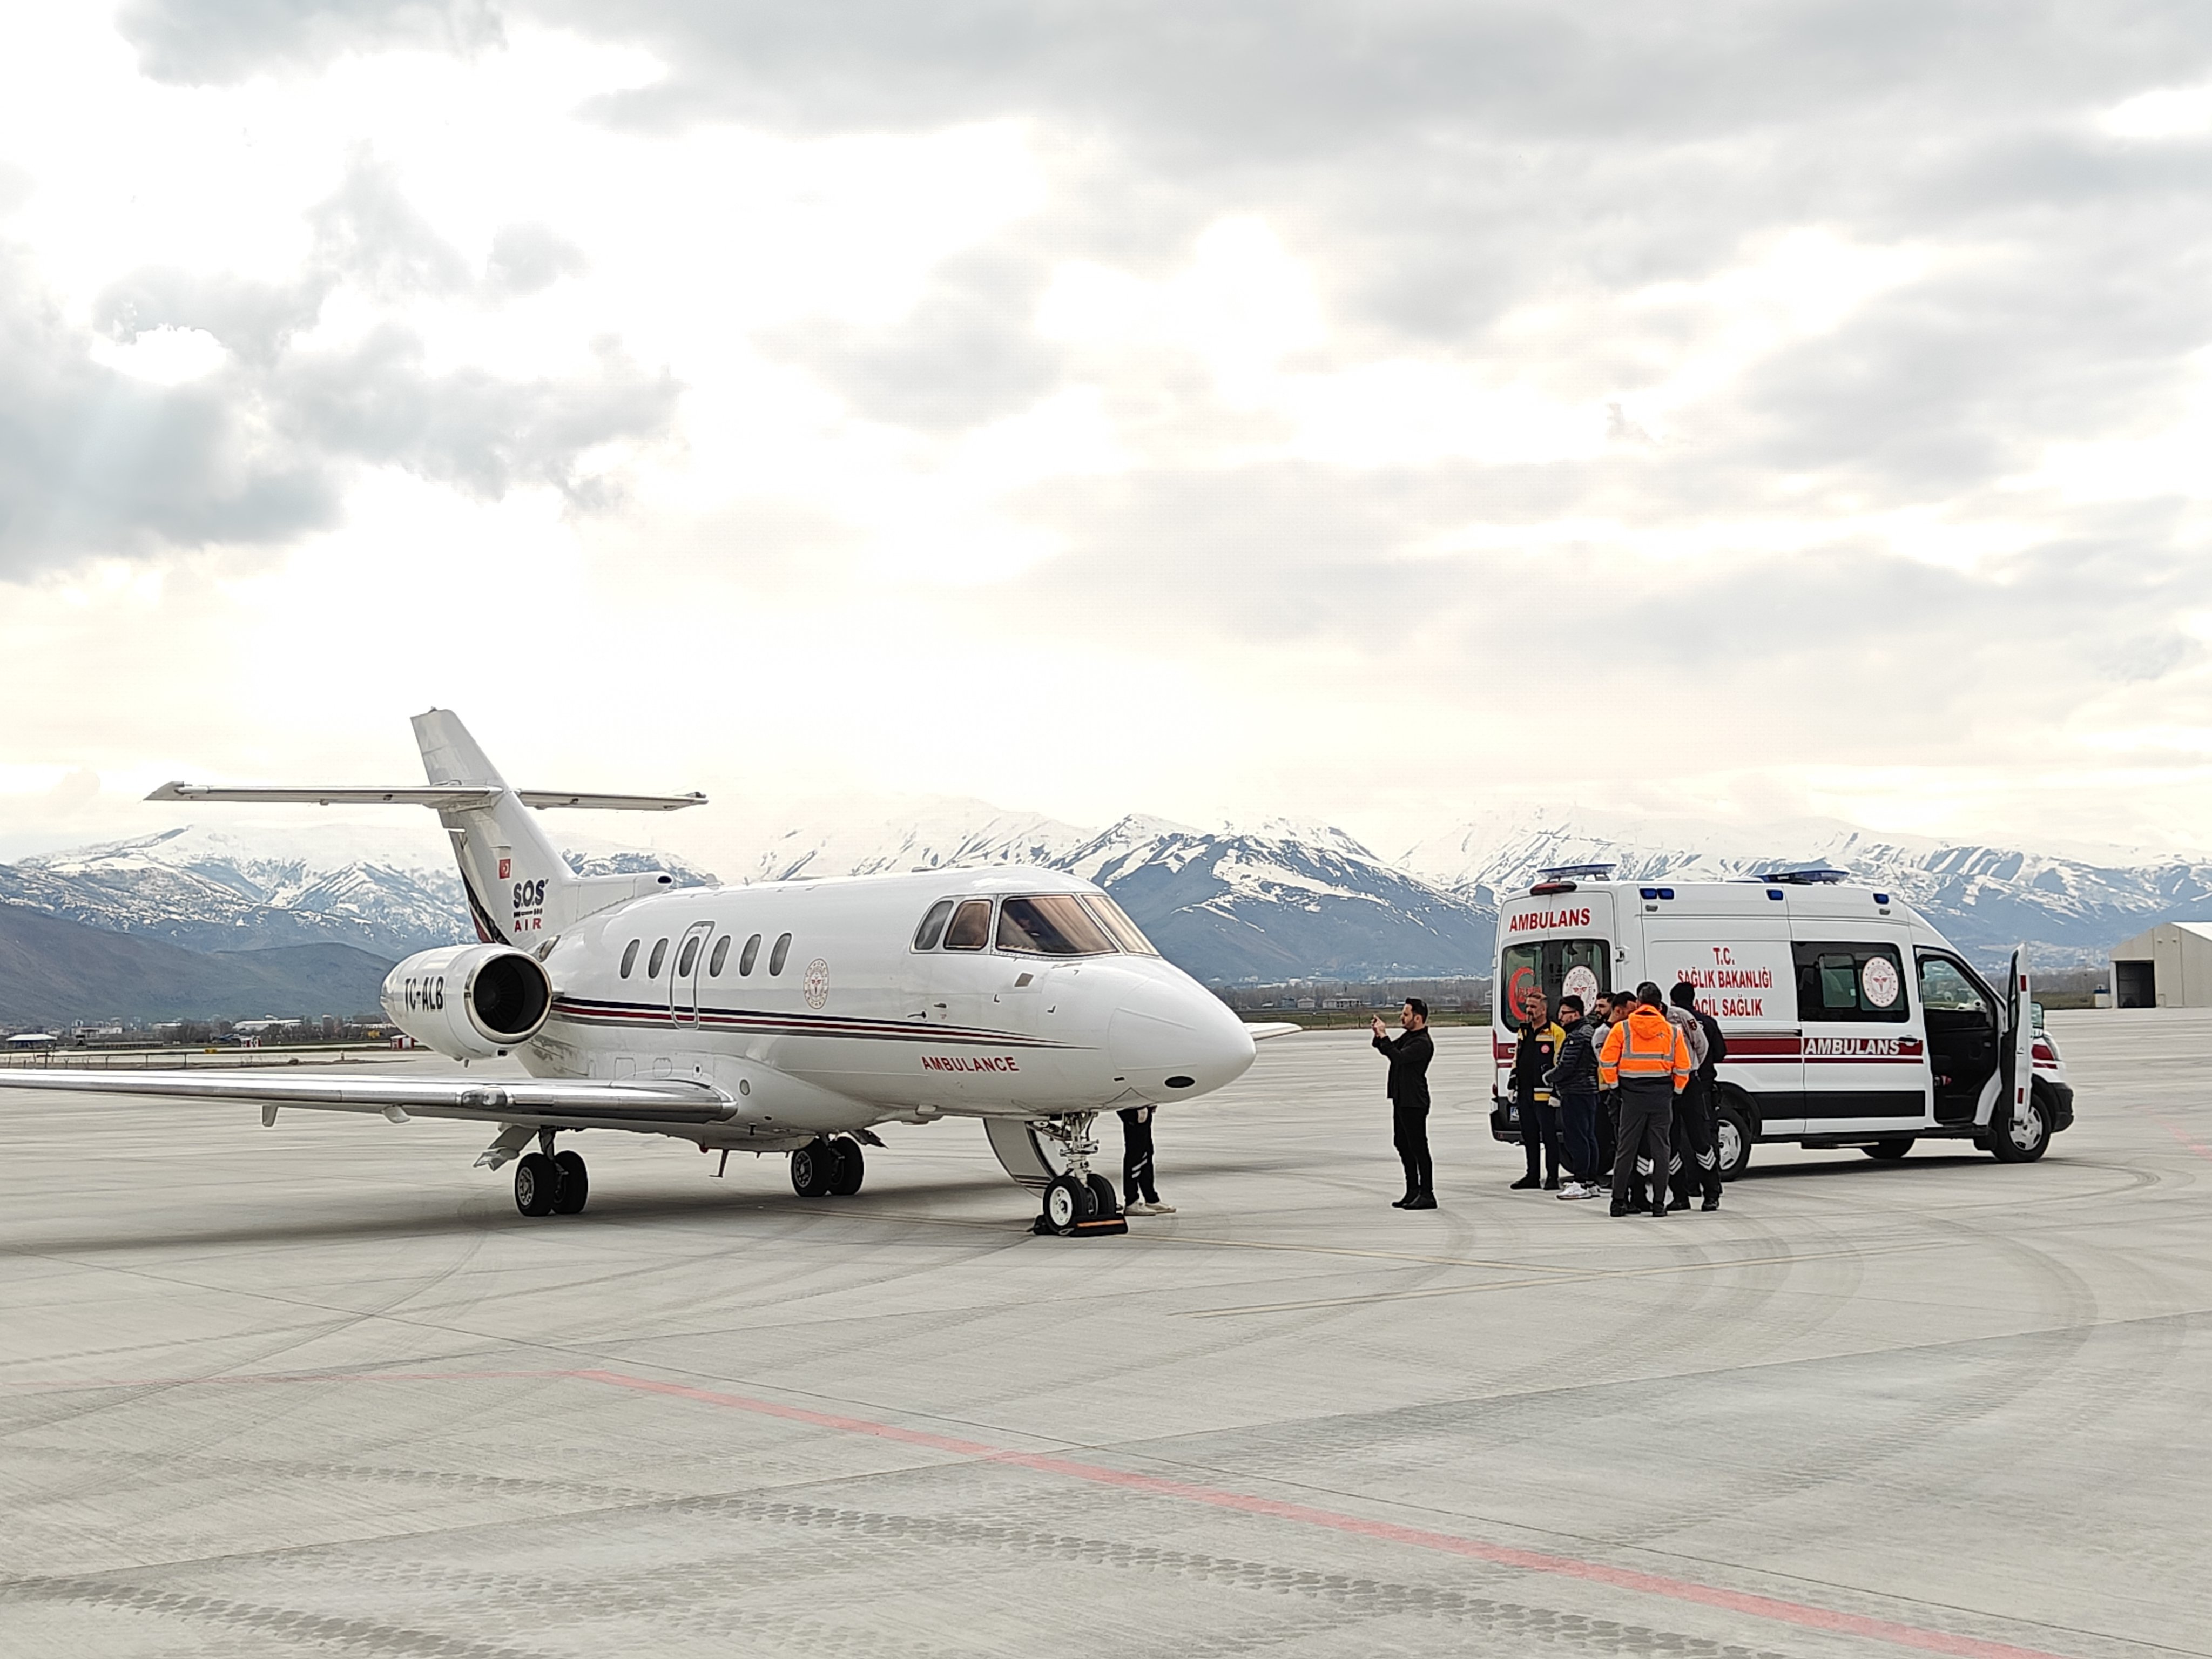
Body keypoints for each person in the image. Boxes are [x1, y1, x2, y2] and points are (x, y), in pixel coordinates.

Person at [1599, 981, 1689, 1218]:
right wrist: (1676, 1092)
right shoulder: (1673, 1031)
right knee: (1662, 1149)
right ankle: (1659, 1204)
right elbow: (1683, 1067)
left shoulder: (1622, 1029)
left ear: (1638, 1004)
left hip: (1631, 1095)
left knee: (1626, 1150)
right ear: (1660, 1005)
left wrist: (1615, 1087)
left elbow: (1606, 1061)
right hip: (1662, 1095)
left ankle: (1618, 1202)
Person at [1667, 983, 1727, 1211]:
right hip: (1701, 1085)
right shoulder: (1708, 1022)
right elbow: (1719, 1053)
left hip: (1681, 1086)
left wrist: (1689, 1070)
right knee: (1703, 1140)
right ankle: (1711, 1193)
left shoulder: (1674, 1021)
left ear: (1672, 999)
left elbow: (1701, 1048)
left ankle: (1683, 1194)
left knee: (1676, 1142)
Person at [1371, 998, 1435, 1209]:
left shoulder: (1422, 1043)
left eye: (1406, 1014)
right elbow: (1389, 1050)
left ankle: (1427, 1193)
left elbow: (1398, 1057)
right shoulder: (1410, 1037)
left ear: (1418, 1018)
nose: (1402, 1017)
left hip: (1414, 1100)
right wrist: (1379, 1035)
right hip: (1401, 1098)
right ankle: (1413, 1189)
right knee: (1402, 1144)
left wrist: (1385, 1037)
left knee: (1419, 1147)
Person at [1545, 994, 1603, 1199]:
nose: (1560, 1017)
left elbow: (1566, 1066)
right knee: (1588, 1137)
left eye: (1564, 1013)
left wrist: (1549, 1077)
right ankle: (1590, 1180)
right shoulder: (1588, 1031)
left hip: (1576, 1092)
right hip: (1587, 1091)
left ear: (1576, 1014)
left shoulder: (1577, 1036)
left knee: (1577, 1138)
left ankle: (1581, 1182)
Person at [1509, 992, 1564, 1190]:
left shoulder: (1555, 1033)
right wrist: (1512, 1083)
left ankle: (1552, 1177)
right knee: (1529, 1136)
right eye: (1528, 1006)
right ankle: (1532, 1175)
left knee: (1549, 1137)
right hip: (1525, 1092)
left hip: (1544, 1095)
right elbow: (1517, 1058)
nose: (1529, 1011)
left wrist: (1556, 1092)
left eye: (1533, 1007)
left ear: (1543, 1010)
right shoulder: (1523, 1032)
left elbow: (1560, 1064)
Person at [1662, 985, 1710, 1209]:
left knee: (1699, 1139)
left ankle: (1712, 1193)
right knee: (1670, 1144)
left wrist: (1691, 1069)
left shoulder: (1681, 1017)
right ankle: (1680, 1196)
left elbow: (1702, 1045)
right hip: (1665, 1086)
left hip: (1689, 1083)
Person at [1118, 1104, 1174, 1215]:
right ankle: (1132, 1201)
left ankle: (1151, 1198)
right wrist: (1138, 1106)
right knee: (1136, 1153)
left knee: (1147, 1151)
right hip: (1132, 1106)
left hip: (1141, 1105)